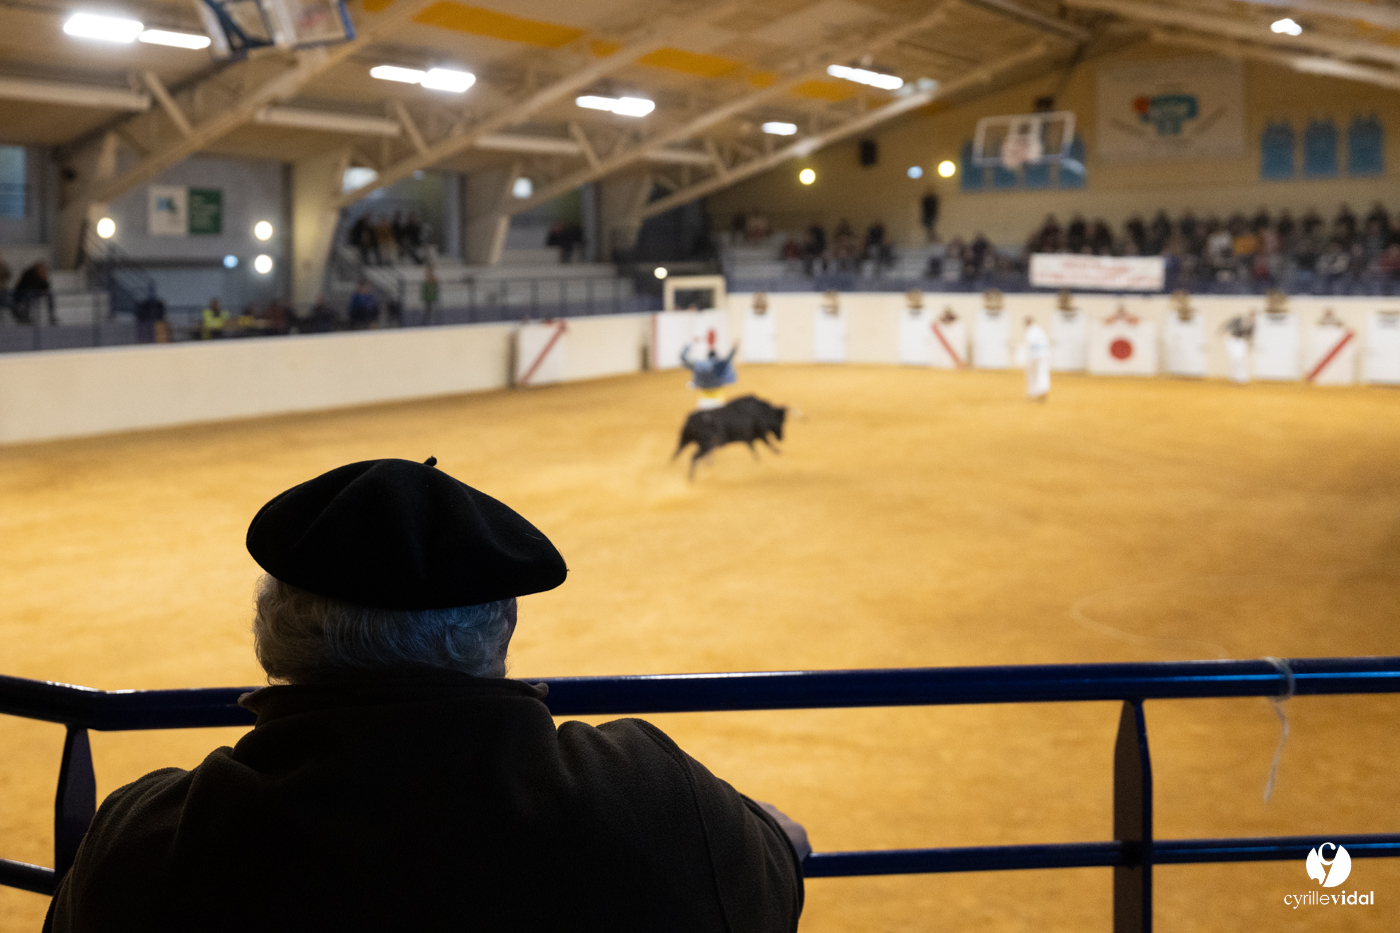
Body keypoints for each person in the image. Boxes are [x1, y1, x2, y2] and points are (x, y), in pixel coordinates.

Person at [43, 458, 807, 933]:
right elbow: (774, 874)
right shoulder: (655, 800)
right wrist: (774, 834)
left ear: (271, 637)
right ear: (500, 630)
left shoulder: (147, 842)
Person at [680, 340, 739, 409]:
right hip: (718, 400)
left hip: (703, 401)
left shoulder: (699, 366)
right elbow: (729, 358)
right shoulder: (719, 366)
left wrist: (689, 344)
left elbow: (683, 358)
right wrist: (735, 347)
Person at [14, 260, 56, 325]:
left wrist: (44, 278)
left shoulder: (41, 275)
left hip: (35, 293)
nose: (43, 269)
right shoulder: (29, 273)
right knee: (30, 295)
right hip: (23, 293)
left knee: (49, 294)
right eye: (42, 268)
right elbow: (28, 286)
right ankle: (25, 317)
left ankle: (51, 315)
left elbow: (45, 287)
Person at [1021, 315, 1050, 402]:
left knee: (1032, 375)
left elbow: (1029, 344)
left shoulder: (1031, 331)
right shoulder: (1039, 330)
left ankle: (1033, 393)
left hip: (1034, 355)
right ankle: (1042, 391)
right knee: (1042, 373)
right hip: (1043, 355)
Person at [1222, 310, 1255, 384]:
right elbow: (1227, 324)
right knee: (1234, 359)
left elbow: (1250, 337)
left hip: (1241, 341)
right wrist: (1228, 331)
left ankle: (1242, 378)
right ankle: (1234, 377)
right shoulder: (1238, 319)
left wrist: (1249, 347)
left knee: (1242, 360)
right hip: (1233, 340)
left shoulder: (1252, 325)